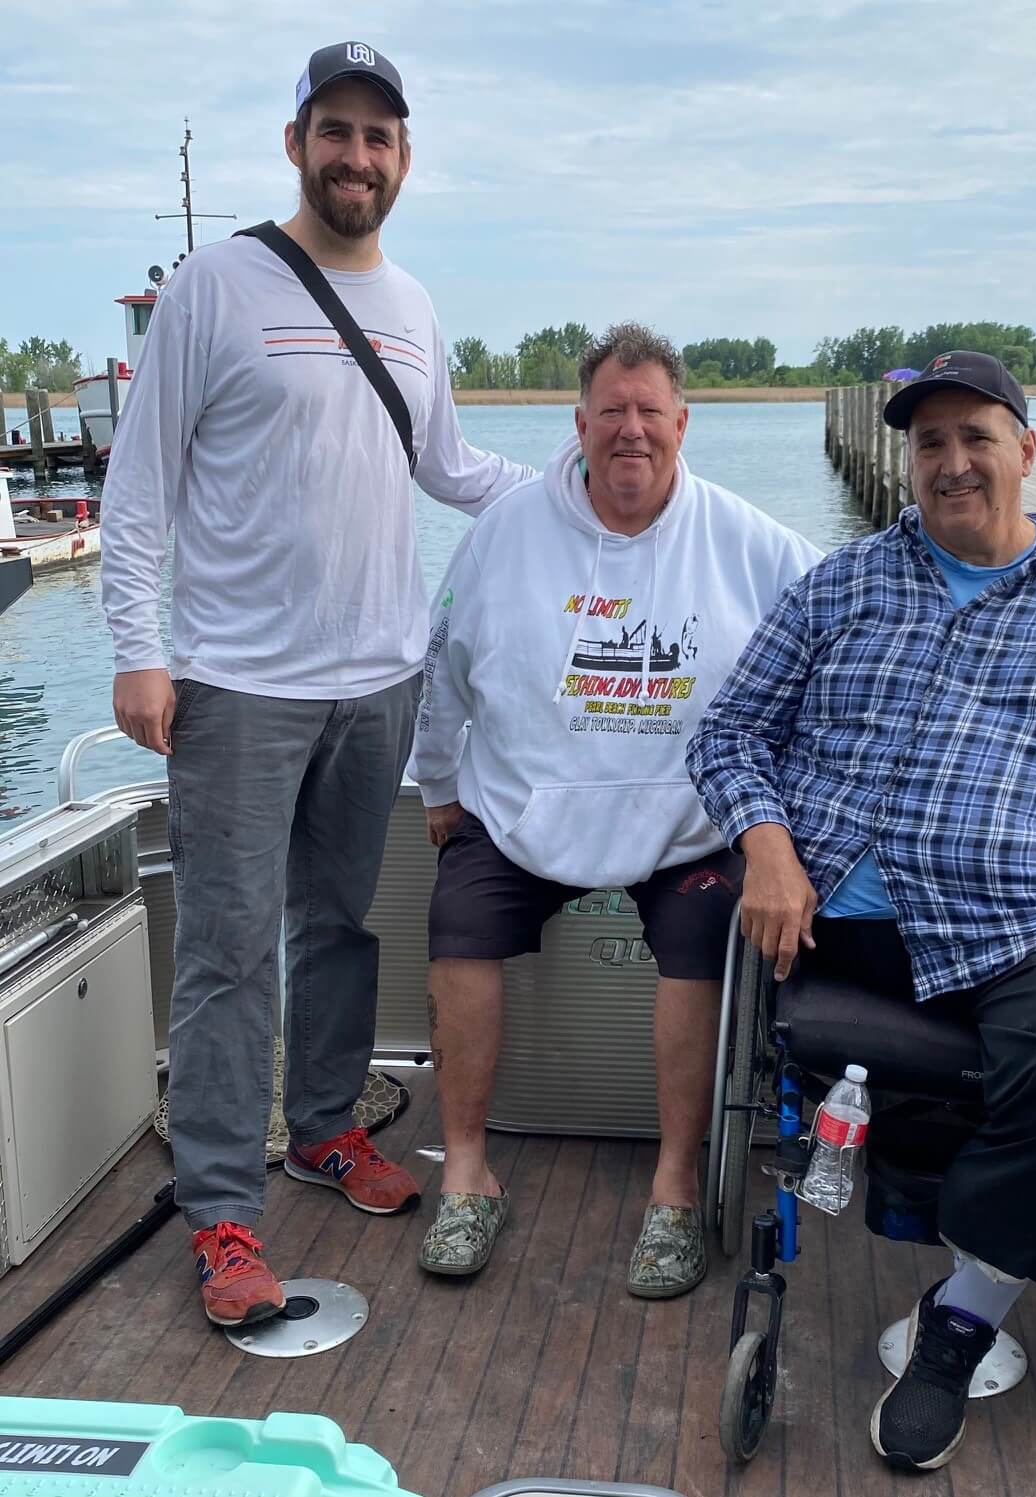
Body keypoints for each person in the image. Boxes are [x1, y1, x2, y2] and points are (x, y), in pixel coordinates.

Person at [686, 351, 1036, 1471]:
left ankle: (966, 1309)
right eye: (927, 443)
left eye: (974, 438)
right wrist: (769, 846)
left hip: (1034, 912)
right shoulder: (840, 586)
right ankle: (991, 1230)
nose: (949, 464)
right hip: (844, 911)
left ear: (1028, 452)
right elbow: (729, 732)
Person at [99, 41, 534, 1329]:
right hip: (235, 683)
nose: (358, 157)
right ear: (297, 143)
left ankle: (327, 1129)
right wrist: (137, 645)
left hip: (381, 677)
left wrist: (595, 490)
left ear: (404, 160)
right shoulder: (213, 287)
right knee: (228, 956)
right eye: (335, 132)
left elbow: (454, 469)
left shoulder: (411, 304)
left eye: (380, 138)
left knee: (340, 925)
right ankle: (223, 1210)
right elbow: (139, 493)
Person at [407, 323, 821, 1296]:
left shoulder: (747, 539)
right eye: (611, 413)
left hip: (687, 820)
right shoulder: (506, 530)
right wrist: (437, 790)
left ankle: (673, 1189)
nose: (630, 431)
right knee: (456, 923)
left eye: (649, 412)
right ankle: (466, 1171)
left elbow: (842, 615)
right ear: (579, 423)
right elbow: (444, 671)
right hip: (524, 811)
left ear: (682, 422)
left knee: (699, 940)